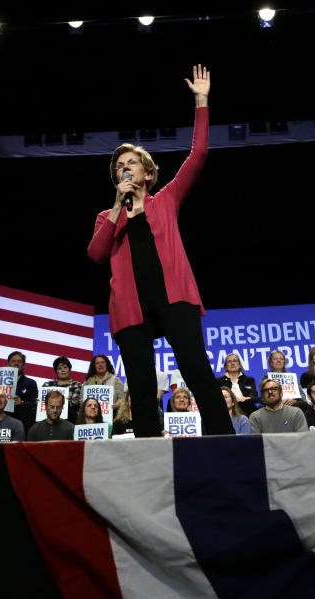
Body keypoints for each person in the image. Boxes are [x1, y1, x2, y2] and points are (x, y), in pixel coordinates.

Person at [86, 65, 233, 439]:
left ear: (148, 174)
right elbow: (96, 254)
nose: (124, 169)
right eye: (119, 166)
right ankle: (150, 451)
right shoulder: (108, 215)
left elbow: (198, 154)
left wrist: (201, 101)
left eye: (131, 163)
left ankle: (225, 442)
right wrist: (119, 208)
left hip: (174, 299)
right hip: (130, 307)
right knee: (140, 383)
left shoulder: (166, 200)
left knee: (197, 369)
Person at [43, 356, 83, 423]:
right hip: (48, 419)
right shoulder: (48, 385)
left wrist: (69, 402)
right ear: (56, 371)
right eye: (59, 368)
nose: (63, 370)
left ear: (69, 370)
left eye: (65, 367)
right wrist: (38, 402)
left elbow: (76, 403)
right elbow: (43, 403)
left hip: (70, 419)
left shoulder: (77, 385)